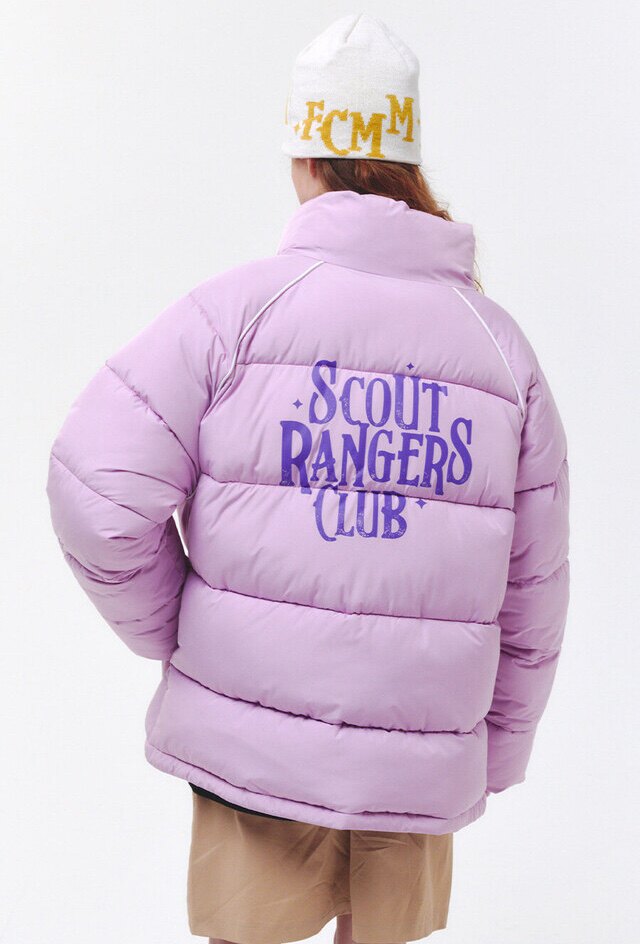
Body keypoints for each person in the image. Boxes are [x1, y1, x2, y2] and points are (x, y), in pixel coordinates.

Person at [46, 12, 570, 944]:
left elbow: (96, 491)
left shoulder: (235, 313)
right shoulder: (499, 349)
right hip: (417, 771)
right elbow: (536, 591)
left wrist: (188, 635)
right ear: (408, 156)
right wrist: (493, 751)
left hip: (253, 757)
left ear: (304, 152)